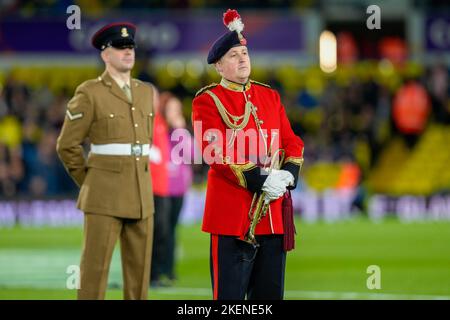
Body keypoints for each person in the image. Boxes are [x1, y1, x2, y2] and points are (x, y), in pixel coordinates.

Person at [192, 10, 304, 300]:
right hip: (232, 217)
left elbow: (292, 141)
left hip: (273, 216)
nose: (242, 59)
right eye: (233, 55)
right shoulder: (207, 100)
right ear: (218, 65)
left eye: (244, 52)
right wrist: (259, 178)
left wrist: (288, 176)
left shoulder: (269, 96)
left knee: (269, 298)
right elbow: (213, 151)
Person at [56, 22, 155, 300]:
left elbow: (144, 144)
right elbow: (67, 145)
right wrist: (90, 182)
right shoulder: (90, 92)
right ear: (105, 54)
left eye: (131, 47)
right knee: (93, 274)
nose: (128, 51)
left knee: (139, 280)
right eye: (120, 47)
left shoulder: (146, 92)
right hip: (104, 196)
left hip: (142, 196)